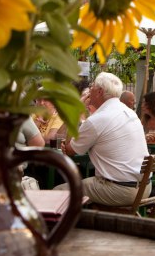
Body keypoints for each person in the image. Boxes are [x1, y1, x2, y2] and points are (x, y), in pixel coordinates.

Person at [60, 72, 149, 206]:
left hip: (120, 190)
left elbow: (69, 150)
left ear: (100, 91)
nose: (90, 90)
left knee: (58, 192)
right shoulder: (130, 113)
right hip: (145, 188)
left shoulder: (97, 120)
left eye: (92, 87)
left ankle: (66, 226)